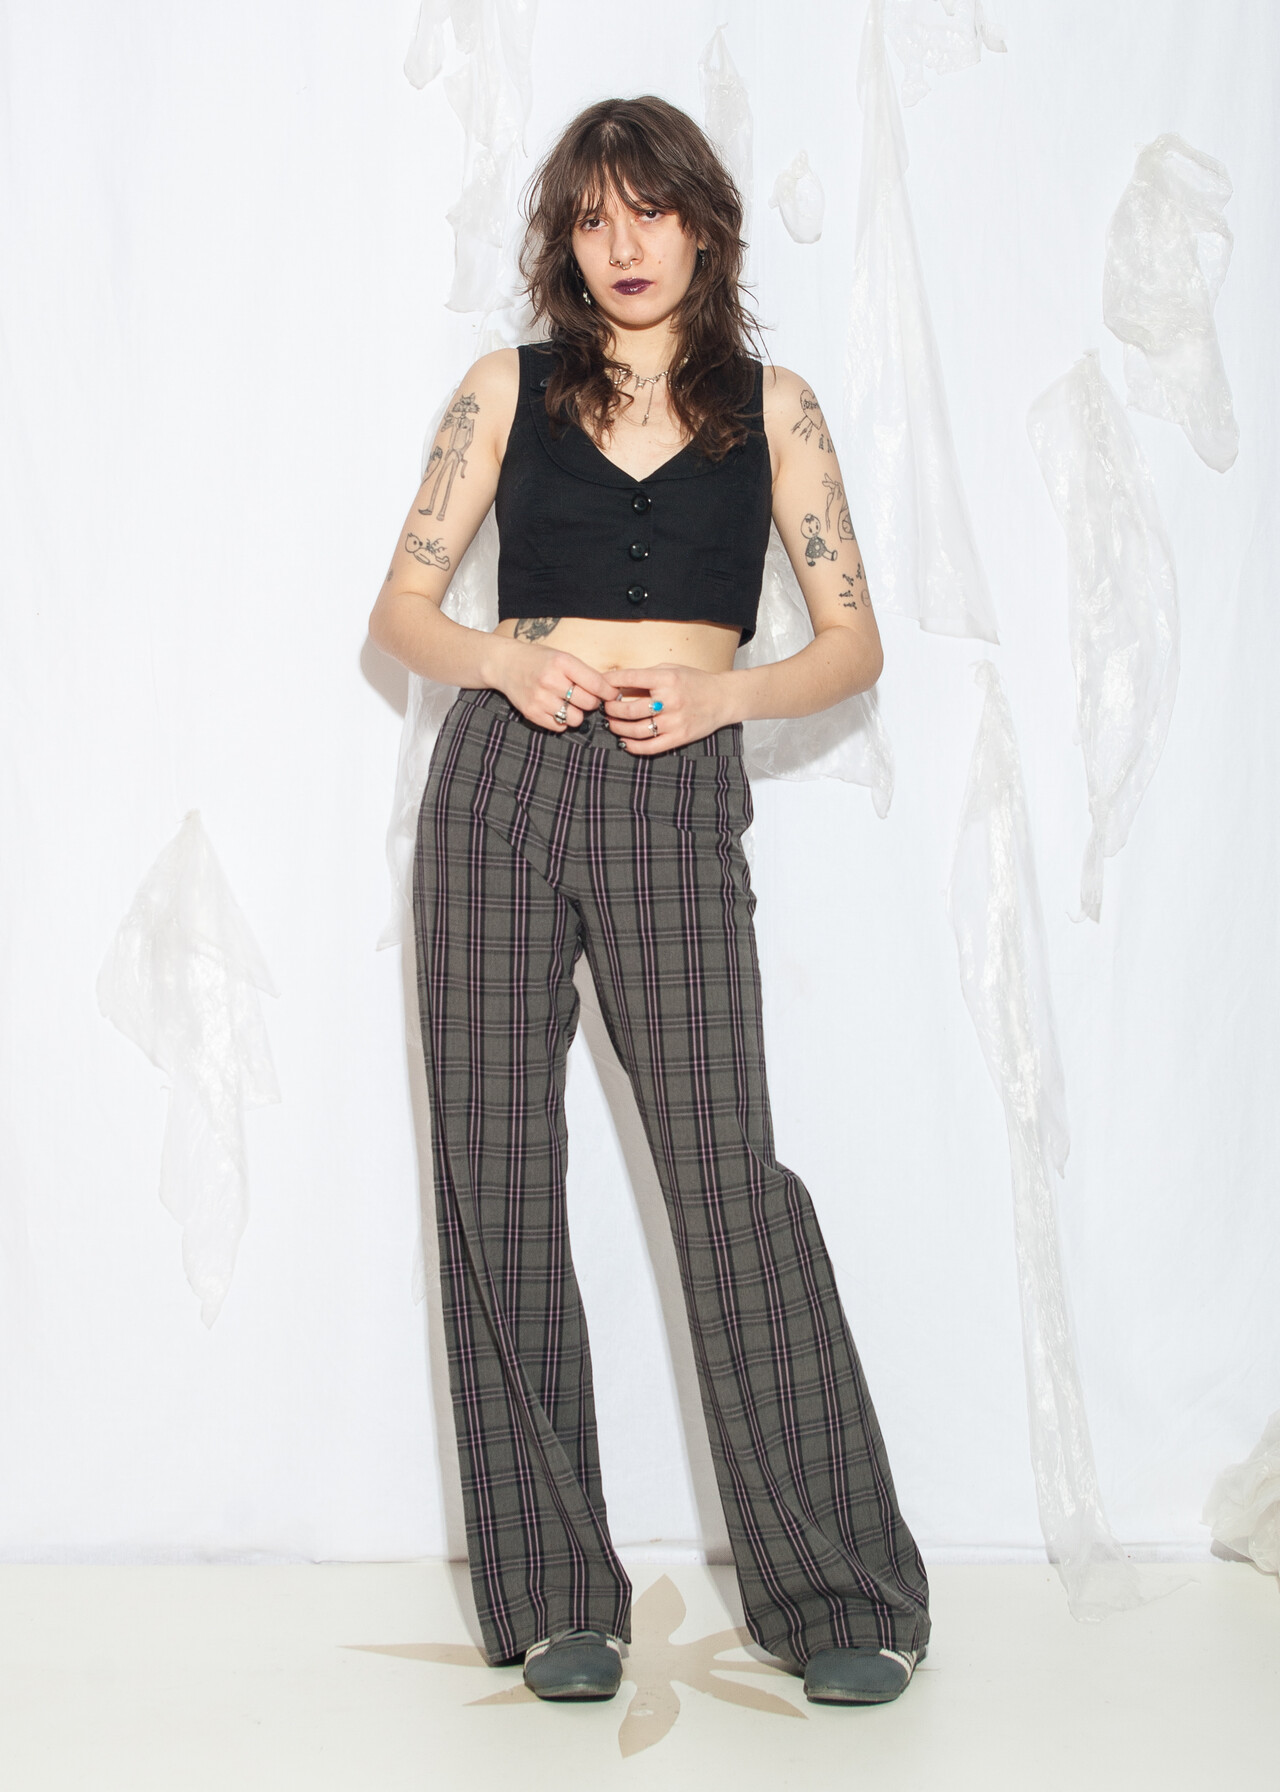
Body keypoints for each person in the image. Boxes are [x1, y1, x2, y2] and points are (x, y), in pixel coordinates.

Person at [368, 94, 931, 1709]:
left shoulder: (776, 409)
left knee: (725, 1178)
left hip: (676, 790)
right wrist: (500, 661)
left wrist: (727, 699)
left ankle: (835, 1589)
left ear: (703, 225)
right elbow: (402, 610)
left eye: (652, 211)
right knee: (496, 1173)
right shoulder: (505, 391)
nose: (624, 245)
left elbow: (852, 643)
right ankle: (557, 1598)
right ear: (566, 237)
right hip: (499, 788)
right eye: (594, 216)